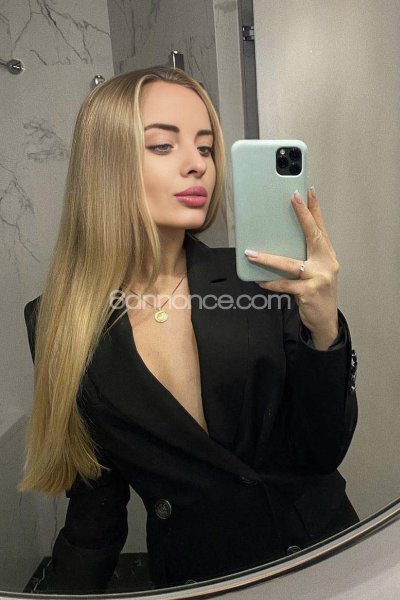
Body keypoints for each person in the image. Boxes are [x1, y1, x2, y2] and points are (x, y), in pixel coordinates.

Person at [20, 66, 359, 594]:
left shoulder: (260, 278)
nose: (198, 164)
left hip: (321, 561)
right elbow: (95, 508)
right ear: (105, 165)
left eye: (205, 148)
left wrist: (323, 328)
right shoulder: (59, 322)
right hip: (200, 578)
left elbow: (322, 451)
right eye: (163, 145)